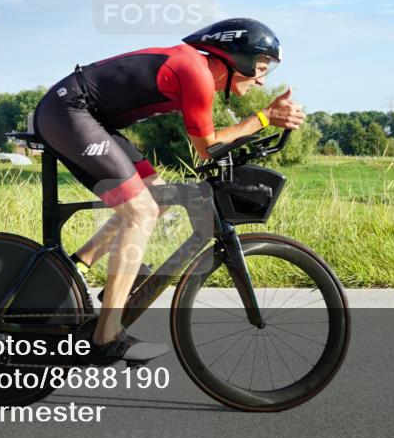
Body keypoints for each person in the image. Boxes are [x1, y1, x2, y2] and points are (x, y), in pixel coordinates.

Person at [32, 18, 307, 363]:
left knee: (157, 197)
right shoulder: (195, 72)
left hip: (93, 119)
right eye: (261, 68)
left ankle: (74, 269)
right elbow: (207, 146)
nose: (263, 79)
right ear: (236, 58)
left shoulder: (199, 71)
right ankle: (105, 335)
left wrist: (261, 125)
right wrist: (264, 118)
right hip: (68, 111)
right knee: (141, 211)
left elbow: (213, 146)